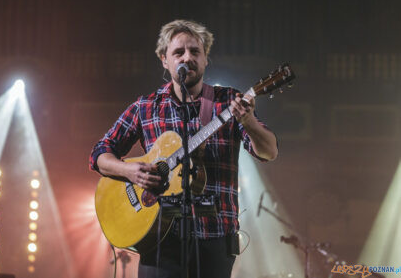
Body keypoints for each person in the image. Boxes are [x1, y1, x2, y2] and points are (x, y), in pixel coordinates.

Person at [90, 19, 278, 278]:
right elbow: (100, 153)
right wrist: (130, 171)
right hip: (158, 239)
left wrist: (248, 121)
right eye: (179, 52)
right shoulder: (146, 106)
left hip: (214, 237)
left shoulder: (228, 102)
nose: (187, 58)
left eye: (195, 52)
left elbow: (269, 152)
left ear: (205, 59)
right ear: (164, 60)